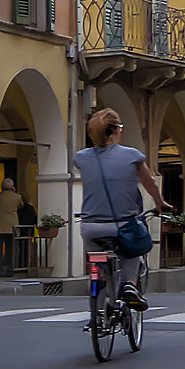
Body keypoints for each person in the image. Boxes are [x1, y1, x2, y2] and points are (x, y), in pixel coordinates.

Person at [74, 108, 165, 311]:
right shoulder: (133, 156)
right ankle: (130, 285)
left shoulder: (80, 158)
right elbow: (150, 184)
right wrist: (160, 203)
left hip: (90, 227)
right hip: (122, 225)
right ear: (116, 130)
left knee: (97, 266)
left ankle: (96, 314)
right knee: (133, 250)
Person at [0, 177, 23, 276]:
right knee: (11, 249)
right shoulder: (17, 197)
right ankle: (10, 268)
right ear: (12, 186)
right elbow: (21, 206)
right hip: (11, 225)